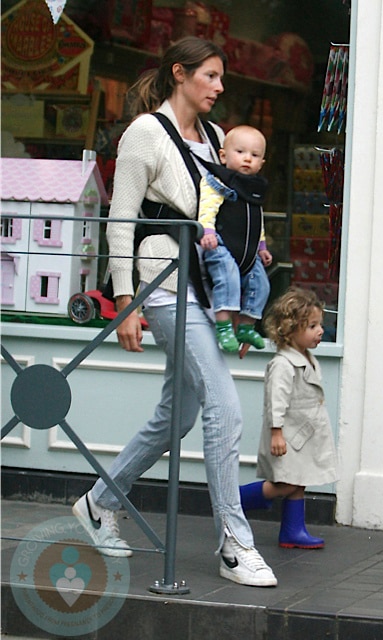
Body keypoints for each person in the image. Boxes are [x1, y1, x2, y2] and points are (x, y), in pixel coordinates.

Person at [72, 36, 277, 588]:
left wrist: (253, 245)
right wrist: (123, 302)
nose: (220, 86)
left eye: (221, 76)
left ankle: (97, 502)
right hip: (162, 286)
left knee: (179, 414)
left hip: (206, 286)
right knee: (224, 405)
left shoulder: (216, 138)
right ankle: (234, 544)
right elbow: (120, 219)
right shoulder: (144, 132)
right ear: (180, 74)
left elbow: (230, 207)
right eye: (210, 75)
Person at [239, 287, 338, 548]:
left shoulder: (307, 358)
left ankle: (293, 531)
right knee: (285, 482)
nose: (319, 331)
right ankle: (235, 502)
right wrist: (276, 432)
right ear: (290, 329)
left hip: (302, 436)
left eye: (320, 325)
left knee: (299, 481)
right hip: (289, 437)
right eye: (312, 326)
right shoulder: (283, 364)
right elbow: (276, 400)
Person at [198, 125, 273, 352]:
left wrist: (261, 246)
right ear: (223, 155)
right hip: (222, 245)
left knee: (261, 283)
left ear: (262, 163)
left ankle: (247, 326)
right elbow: (207, 207)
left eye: (254, 155)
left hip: (248, 250)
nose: (247, 159)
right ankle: (223, 326)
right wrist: (207, 231)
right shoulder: (220, 181)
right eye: (240, 152)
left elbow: (256, 219)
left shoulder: (255, 188)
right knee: (228, 278)